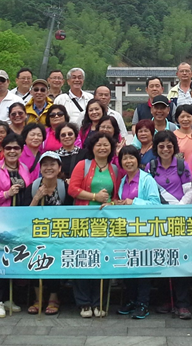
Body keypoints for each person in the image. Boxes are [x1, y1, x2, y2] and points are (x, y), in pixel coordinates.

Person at [68, 132, 119, 317]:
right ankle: (84, 303)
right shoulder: (83, 165)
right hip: (83, 220)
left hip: (105, 223)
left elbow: (116, 197)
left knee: (103, 260)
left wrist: (110, 203)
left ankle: (100, 302)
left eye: (106, 145)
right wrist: (95, 197)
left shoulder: (115, 169)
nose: (102, 148)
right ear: (92, 147)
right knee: (82, 258)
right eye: (99, 145)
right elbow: (72, 189)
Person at [0, 132, 32, 318]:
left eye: (16, 148)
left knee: (14, 259)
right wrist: (6, 194)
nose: (12, 151)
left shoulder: (25, 168)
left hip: (19, 221)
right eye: (8, 148)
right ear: (3, 150)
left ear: (21, 150)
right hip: (0, 222)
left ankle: (9, 298)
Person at [148, 130, 192, 319]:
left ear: (174, 147)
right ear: (156, 148)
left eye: (169, 146)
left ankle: (182, 303)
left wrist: (179, 210)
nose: (165, 149)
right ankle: (166, 300)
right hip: (159, 221)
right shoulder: (150, 168)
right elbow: (148, 192)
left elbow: (190, 191)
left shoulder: (182, 165)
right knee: (162, 259)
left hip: (179, 220)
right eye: (161, 146)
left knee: (180, 260)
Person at [114, 144, 161, 320]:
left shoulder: (147, 179)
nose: (128, 161)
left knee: (142, 268)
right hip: (127, 232)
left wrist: (132, 202)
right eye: (124, 158)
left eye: (131, 157)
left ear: (137, 159)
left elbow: (156, 204)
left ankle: (143, 303)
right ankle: (130, 300)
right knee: (129, 267)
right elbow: (122, 201)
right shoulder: (122, 181)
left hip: (144, 231)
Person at [23, 151, 69, 316]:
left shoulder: (65, 188)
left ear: (59, 168)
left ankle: (53, 298)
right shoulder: (34, 187)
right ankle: (38, 298)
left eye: (52, 164)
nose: (49, 168)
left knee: (54, 265)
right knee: (37, 263)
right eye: (45, 165)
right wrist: (36, 198)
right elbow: (24, 215)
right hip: (37, 233)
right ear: (40, 168)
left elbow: (72, 212)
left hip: (59, 234)